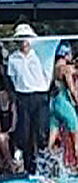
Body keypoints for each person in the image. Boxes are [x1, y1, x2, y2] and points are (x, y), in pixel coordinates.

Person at [7, 24, 53, 174]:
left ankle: (44, 166)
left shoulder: (40, 55)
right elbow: (11, 79)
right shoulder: (13, 58)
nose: (24, 42)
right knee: (25, 134)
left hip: (39, 96)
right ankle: (29, 167)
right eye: (21, 39)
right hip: (23, 97)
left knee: (41, 133)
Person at [48, 57, 78, 175]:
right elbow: (72, 90)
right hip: (63, 103)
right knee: (76, 134)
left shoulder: (58, 68)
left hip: (53, 103)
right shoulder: (68, 70)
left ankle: (47, 164)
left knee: (52, 136)